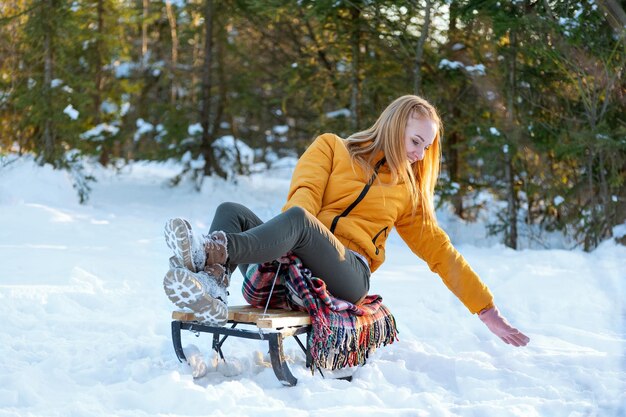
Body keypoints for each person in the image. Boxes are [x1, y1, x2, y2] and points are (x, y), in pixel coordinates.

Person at [163, 95, 530, 347]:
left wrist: (486, 309)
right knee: (233, 210)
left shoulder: (407, 192)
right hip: (295, 266)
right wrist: (290, 238)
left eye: (426, 148)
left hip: (347, 274)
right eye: (416, 141)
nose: (419, 155)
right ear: (394, 125)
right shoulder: (331, 147)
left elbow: (440, 251)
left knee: (297, 222)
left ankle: (212, 252)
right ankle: (211, 286)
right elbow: (303, 197)